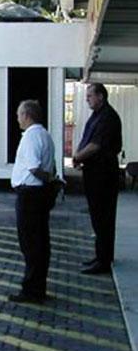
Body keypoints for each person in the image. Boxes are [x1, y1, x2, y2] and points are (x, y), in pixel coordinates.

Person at [72, 83, 123, 275]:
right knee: (97, 217)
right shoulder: (97, 116)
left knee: (103, 217)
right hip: (94, 173)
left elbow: (95, 146)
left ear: (101, 96)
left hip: (103, 175)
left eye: (90, 96)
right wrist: (79, 155)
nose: (87, 99)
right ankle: (99, 256)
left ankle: (104, 260)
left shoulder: (107, 117)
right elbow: (87, 140)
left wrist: (77, 157)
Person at [9, 100, 56, 304]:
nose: (17, 118)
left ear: (27, 115)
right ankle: (37, 286)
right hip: (37, 195)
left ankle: (31, 290)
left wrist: (50, 180)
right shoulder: (44, 134)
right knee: (39, 242)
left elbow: (34, 168)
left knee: (30, 243)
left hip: (30, 195)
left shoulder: (31, 137)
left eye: (19, 114)